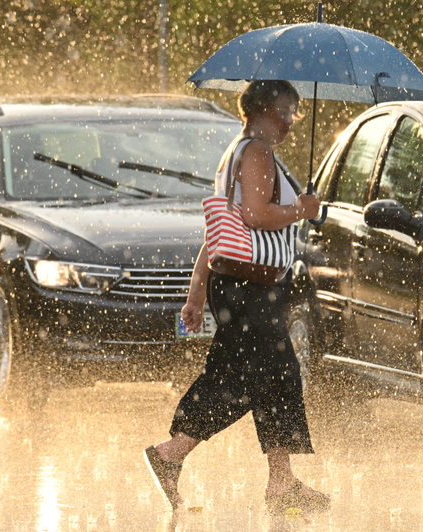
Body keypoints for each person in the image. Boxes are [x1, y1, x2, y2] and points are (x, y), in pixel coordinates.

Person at [144, 80, 328, 515]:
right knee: (250, 376)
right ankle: (171, 454)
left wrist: (196, 294)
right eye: (286, 111)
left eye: (295, 113)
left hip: (241, 286)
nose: (290, 121)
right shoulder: (258, 153)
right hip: (250, 289)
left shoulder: (237, 152)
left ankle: (280, 483)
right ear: (262, 109)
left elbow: (218, 235)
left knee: (269, 375)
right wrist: (302, 210)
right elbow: (255, 215)